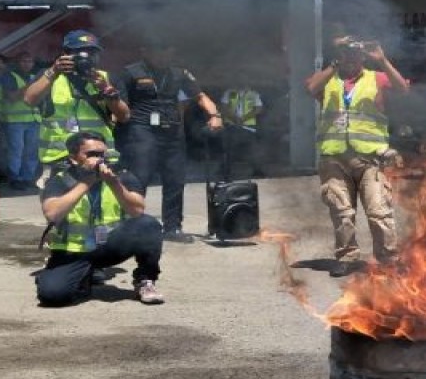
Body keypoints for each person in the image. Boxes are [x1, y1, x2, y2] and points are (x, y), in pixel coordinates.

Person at [305, 33, 409, 277]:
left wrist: (382, 60)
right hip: (334, 158)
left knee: (378, 211)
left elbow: (403, 88)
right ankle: (347, 257)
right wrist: (335, 61)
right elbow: (311, 88)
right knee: (341, 211)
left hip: (371, 159)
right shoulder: (329, 78)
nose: (350, 59)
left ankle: (388, 260)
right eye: (345, 54)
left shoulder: (377, 78)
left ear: (363, 57)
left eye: (354, 55)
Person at [35, 131, 165, 306]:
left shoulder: (120, 175)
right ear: (74, 157)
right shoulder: (60, 180)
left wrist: (113, 183)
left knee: (148, 225)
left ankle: (145, 280)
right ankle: (79, 278)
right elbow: (52, 213)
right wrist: (87, 182)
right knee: (52, 296)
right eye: (91, 154)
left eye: (101, 154)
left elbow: (137, 210)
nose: (99, 159)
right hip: (73, 250)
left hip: (109, 246)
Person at [117, 38, 223, 243]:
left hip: (173, 132)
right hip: (142, 131)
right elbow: (120, 104)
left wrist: (215, 115)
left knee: (175, 180)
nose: (164, 54)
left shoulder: (179, 73)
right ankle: (132, 226)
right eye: (159, 50)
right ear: (145, 50)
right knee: (138, 179)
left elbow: (200, 96)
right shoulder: (130, 72)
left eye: (167, 50)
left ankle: (172, 227)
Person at [23, 30, 129, 176]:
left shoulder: (107, 79)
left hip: (99, 157)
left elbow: (124, 116)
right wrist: (53, 71)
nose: (86, 57)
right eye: (80, 53)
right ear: (65, 54)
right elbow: (29, 100)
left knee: (102, 199)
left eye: (92, 53)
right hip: (59, 158)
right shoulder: (49, 76)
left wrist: (106, 90)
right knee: (61, 199)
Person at [0, 51, 41, 190]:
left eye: (30, 61)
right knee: (16, 151)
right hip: (15, 121)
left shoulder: (33, 76)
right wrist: (30, 85)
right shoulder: (9, 76)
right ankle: (15, 178)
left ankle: (28, 179)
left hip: (34, 120)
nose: (27, 64)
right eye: (23, 61)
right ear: (17, 62)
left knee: (31, 151)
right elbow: (11, 97)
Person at [220, 82, 264, 179]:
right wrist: (235, 119)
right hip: (232, 126)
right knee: (229, 149)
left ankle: (257, 171)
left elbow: (258, 108)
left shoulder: (254, 94)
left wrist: (243, 118)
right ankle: (225, 172)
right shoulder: (229, 93)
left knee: (253, 149)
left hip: (248, 126)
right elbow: (224, 108)